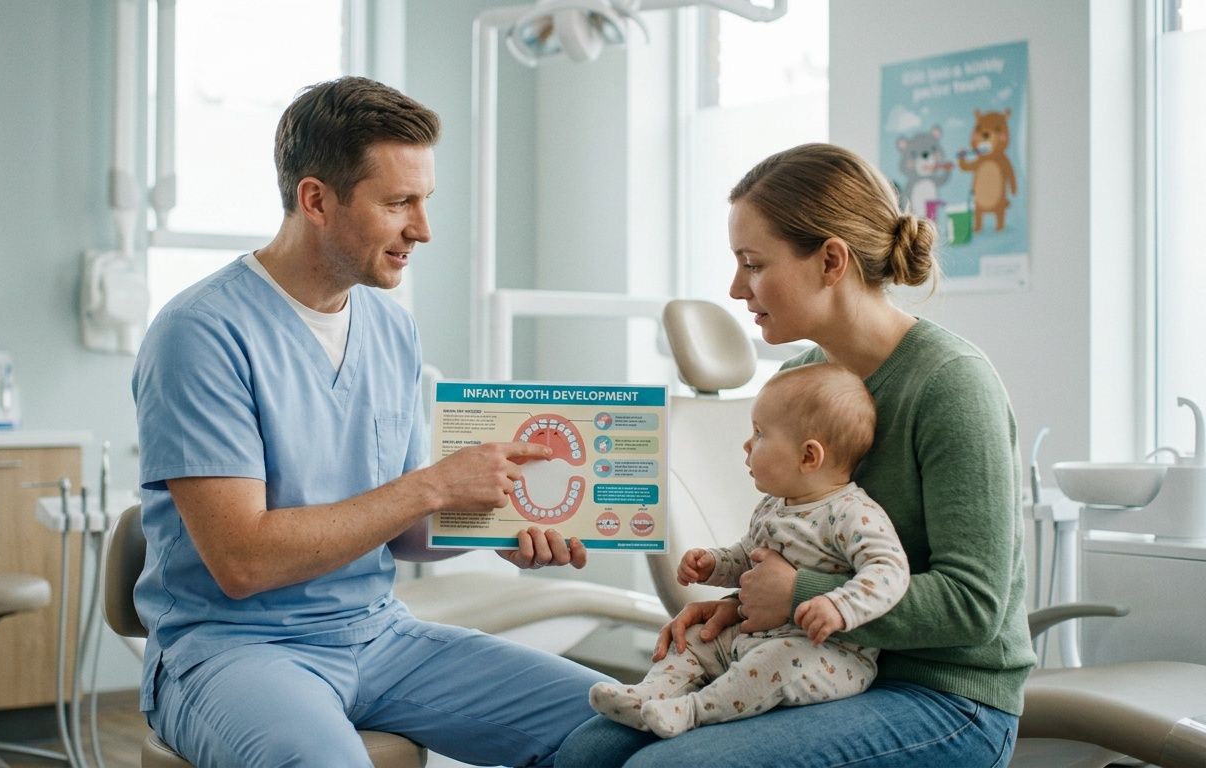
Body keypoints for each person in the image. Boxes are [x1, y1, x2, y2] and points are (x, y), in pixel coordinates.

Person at [132, 76, 611, 768]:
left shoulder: (391, 328)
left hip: (378, 635)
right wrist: (435, 487)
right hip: (232, 648)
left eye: (424, 201)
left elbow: (406, 534)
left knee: (621, 722)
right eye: (398, 203)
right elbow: (242, 560)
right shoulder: (200, 333)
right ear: (316, 200)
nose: (422, 228)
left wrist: (497, 525)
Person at [556, 142, 1034, 767]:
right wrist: (736, 607)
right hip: (819, 664)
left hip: (948, 699)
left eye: (753, 264)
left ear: (831, 260)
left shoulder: (951, 385)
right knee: (589, 752)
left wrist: (796, 595)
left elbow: (974, 605)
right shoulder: (803, 378)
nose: (735, 287)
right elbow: (800, 543)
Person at [589, 362, 909, 738]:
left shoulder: (853, 514)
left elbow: (890, 570)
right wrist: (715, 563)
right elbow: (748, 557)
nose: (746, 444)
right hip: (751, 635)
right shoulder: (775, 505)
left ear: (809, 457)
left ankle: (692, 710)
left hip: (826, 654)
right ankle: (648, 695)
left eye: (759, 434)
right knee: (694, 641)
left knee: (776, 662)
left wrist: (839, 605)